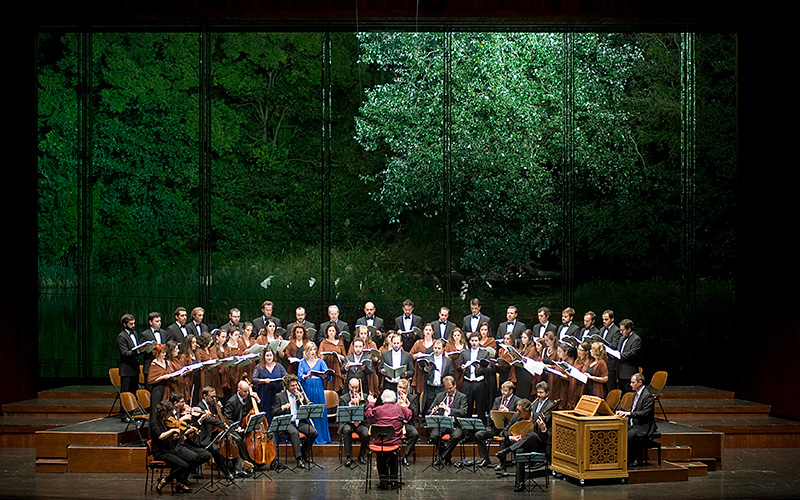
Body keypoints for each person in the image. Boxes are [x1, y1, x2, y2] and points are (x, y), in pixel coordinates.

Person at [150, 400, 205, 494]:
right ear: (164, 412)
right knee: (183, 465)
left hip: (169, 448)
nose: (170, 414)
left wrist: (181, 434)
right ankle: (165, 481)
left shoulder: (164, 421)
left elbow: (171, 438)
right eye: (169, 412)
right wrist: (172, 431)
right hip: (161, 452)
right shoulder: (154, 422)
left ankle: (180, 482)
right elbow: (160, 436)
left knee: (191, 458)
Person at [365, 389, 413, 489]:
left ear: (382, 399)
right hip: (394, 443)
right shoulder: (399, 409)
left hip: (379, 443)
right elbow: (409, 416)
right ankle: (394, 481)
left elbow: (368, 414)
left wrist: (371, 403)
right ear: (394, 399)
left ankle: (383, 481)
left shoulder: (378, 409)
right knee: (393, 456)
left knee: (380, 457)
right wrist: (404, 405)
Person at [271, 374, 318, 469]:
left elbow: (307, 408)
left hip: (299, 422)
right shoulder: (279, 396)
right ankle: (299, 459)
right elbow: (273, 411)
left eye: (296, 385)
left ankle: (304, 451)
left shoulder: (299, 395)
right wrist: (282, 408)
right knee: (294, 433)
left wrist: (302, 399)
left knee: (313, 432)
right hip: (287, 422)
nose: (295, 387)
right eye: (292, 386)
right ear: (287, 386)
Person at [474, 381, 520, 467]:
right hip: (496, 427)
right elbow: (492, 412)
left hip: (509, 429)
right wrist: (495, 414)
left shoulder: (517, 401)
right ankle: (485, 459)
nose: (503, 393)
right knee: (479, 435)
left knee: (503, 437)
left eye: (505, 391)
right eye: (502, 390)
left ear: (511, 391)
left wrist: (507, 411)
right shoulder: (498, 400)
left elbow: (518, 416)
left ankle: (502, 462)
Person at [193, 386, 234, 481]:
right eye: (212, 397)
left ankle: (236, 468)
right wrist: (223, 425)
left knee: (231, 439)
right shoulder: (200, 407)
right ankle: (226, 473)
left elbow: (215, 416)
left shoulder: (210, 406)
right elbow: (210, 420)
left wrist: (218, 408)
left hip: (210, 434)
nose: (214, 399)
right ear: (204, 396)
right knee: (215, 449)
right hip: (202, 437)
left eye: (215, 396)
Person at [616, 373, 657, 466]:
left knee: (628, 435)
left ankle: (632, 460)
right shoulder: (636, 394)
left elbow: (645, 413)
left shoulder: (647, 396)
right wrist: (623, 412)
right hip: (635, 423)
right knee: (619, 432)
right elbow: (633, 409)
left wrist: (629, 414)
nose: (630, 385)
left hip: (643, 426)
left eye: (633, 382)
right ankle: (623, 459)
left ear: (640, 383)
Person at [221, 380, 261, 474]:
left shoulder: (248, 398)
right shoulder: (231, 401)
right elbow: (227, 418)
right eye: (245, 391)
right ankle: (247, 462)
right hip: (235, 428)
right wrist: (236, 427)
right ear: (238, 390)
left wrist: (257, 399)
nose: (247, 393)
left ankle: (255, 461)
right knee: (238, 439)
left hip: (245, 425)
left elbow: (256, 408)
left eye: (248, 391)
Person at [428, 376, 468, 466]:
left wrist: (448, 409)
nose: (449, 391)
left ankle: (442, 458)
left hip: (455, 424)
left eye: (450, 388)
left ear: (455, 386)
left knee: (456, 436)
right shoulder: (440, 396)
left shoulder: (462, 397)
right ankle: (447, 456)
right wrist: (434, 411)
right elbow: (429, 410)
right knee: (434, 436)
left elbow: (463, 412)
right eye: (447, 389)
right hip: (442, 424)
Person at [297, 343, 331, 444]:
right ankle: (308, 436)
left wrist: (325, 374)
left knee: (320, 411)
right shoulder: (302, 362)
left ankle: (321, 437)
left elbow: (328, 375)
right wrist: (305, 376)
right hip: (307, 387)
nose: (312, 352)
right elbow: (299, 376)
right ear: (306, 351)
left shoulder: (320, 362)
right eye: (310, 349)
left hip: (318, 388)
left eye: (313, 349)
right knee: (308, 412)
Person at [459, 332, 492, 424]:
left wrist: (480, 368)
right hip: (467, 382)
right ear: (469, 341)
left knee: (480, 407)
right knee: (467, 407)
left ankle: (480, 429)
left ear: (479, 341)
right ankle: (466, 431)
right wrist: (462, 368)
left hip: (479, 382)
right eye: (472, 340)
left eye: (476, 341)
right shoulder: (465, 353)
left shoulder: (484, 353)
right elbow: (458, 367)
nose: (474, 343)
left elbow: (489, 368)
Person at [116, 313, 144, 422]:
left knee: (133, 391)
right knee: (125, 392)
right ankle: (124, 414)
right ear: (124, 324)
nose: (133, 325)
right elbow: (124, 353)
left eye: (134, 323)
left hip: (134, 368)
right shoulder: (121, 337)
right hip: (126, 369)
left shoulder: (135, 333)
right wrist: (137, 351)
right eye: (131, 324)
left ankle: (131, 413)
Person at [338, 378, 369, 467]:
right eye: (352, 387)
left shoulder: (364, 397)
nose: (354, 390)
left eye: (356, 387)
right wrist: (350, 404)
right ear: (349, 386)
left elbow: (368, 413)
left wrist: (360, 402)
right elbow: (342, 414)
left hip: (360, 423)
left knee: (366, 434)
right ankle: (348, 457)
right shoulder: (343, 398)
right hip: (348, 422)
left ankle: (361, 455)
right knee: (346, 430)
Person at [251, 349, 287, 423]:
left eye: (271, 355)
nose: (269, 357)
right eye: (267, 355)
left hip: (277, 393)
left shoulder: (278, 366)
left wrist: (283, 379)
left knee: (277, 412)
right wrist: (263, 380)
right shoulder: (259, 367)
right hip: (265, 394)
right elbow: (253, 380)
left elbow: (286, 375)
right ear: (264, 357)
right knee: (267, 413)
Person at [421, 338, 453, 416]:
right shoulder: (428, 358)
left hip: (441, 387)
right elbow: (422, 371)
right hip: (430, 387)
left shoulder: (447, 360)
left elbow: (450, 373)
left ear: (442, 349)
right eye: (435, 348)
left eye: (439, 348)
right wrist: (426, 369)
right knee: (430, 407)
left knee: (441, 407)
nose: (437, 350)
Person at [395, 378, 420, 466]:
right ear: (397, 387)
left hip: (407, 423)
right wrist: (396, 406)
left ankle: (405, 456)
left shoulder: (412, 398)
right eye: (400, 387)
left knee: (415, 434)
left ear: (407, 389)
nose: (401, 390)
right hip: (394, 422)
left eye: (404, 388)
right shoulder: (392, 396)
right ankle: (391, 457)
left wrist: (408, 406)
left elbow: (415, 414)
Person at [140, 312, 167, 389]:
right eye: (157, 321)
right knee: (150, 390)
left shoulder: (164, 332)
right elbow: (141, 350)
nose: (159, 323)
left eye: (160, 321)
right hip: (150, 364)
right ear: (150, 322)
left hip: (162, 365)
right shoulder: (145, 334)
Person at [318, 322, 347, 392]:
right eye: (329, 331)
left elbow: (345, 357)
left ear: (336, 332)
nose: (331, 333)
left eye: (333, 331)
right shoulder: (324, 342)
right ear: (327, 332)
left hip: (337, 367)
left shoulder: (340, 343)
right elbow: (320, 355)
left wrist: (338, 355)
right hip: (327, 366)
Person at [599, 310, 622, 393]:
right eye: (603, 319)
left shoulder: (616, 330)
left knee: (610, 387)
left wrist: (603, 344)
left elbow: (614, 346)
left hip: (611, 363)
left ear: (612, 319)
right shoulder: (601, 330)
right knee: (603, 388)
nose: (604, 321)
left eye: (606, 319)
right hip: (602, 362)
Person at [617, 319, 642, 394]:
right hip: (620, 371)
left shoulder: (636, 339)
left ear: (629, 329)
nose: (621, 332)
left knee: (629, 395)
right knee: (622, 395)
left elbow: (632, 353)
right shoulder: (622, 338)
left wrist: (619, 355)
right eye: (620, 330)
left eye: (623, 330)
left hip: (628, 372)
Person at [409, 323, 436, 394]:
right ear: (423, 331)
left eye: (430, 330)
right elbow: (410, 355)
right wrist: (416, 355)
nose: (428, 332)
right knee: (420, 392)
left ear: (433, 332)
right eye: (426, 330)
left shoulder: (436, 343)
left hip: (432, 371)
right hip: (420, 371)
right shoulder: (418, 343)